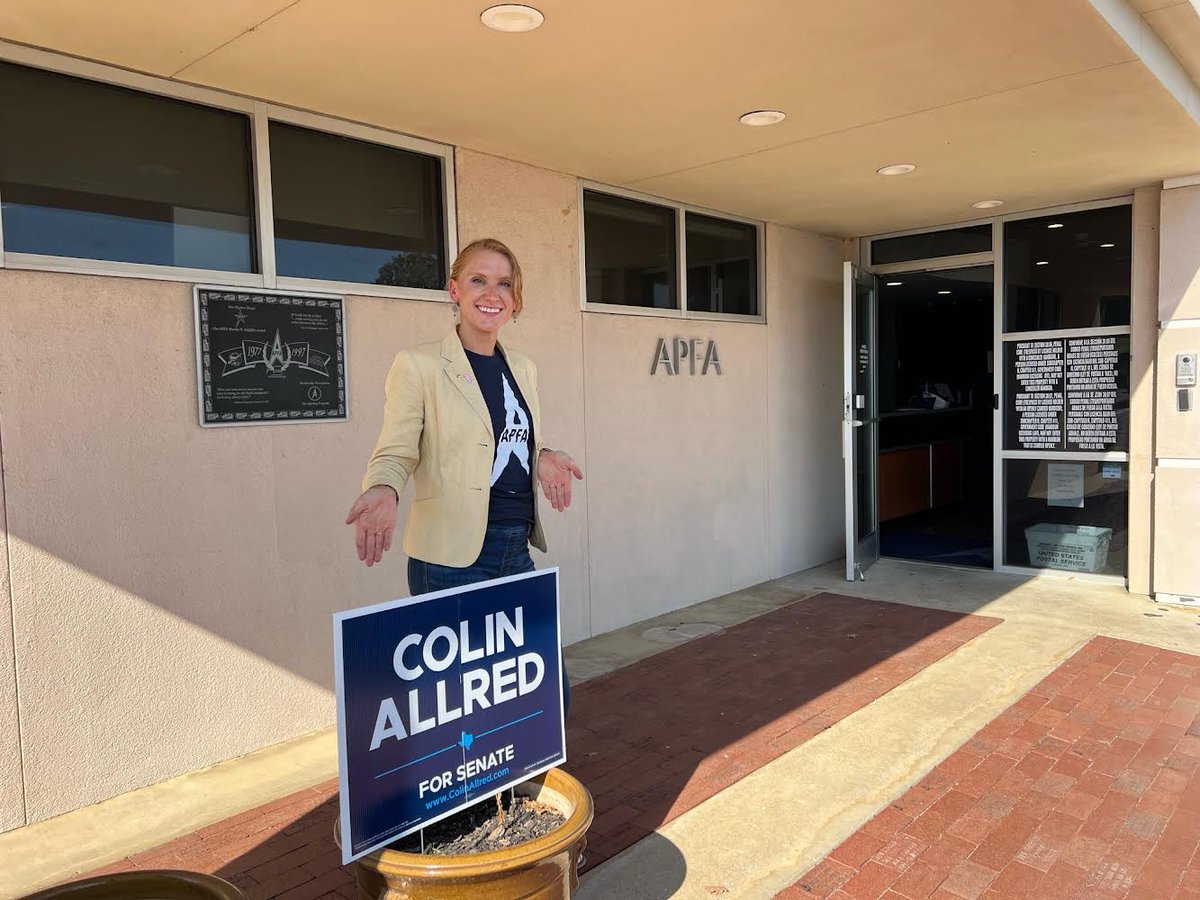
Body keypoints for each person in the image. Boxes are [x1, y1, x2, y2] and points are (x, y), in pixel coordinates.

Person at [345, 237, 583, 711]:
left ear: (515, 297)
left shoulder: (523, 367)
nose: (492, 294)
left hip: (515, 548)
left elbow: (506, 437)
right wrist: (383, 487)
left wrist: (542, 455)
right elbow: (395, 450)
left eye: (504, 284)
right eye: (478, 280)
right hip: (450, 561)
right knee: (464, 708)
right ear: (454, 290)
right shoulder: (419, 365)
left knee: (545, 697)